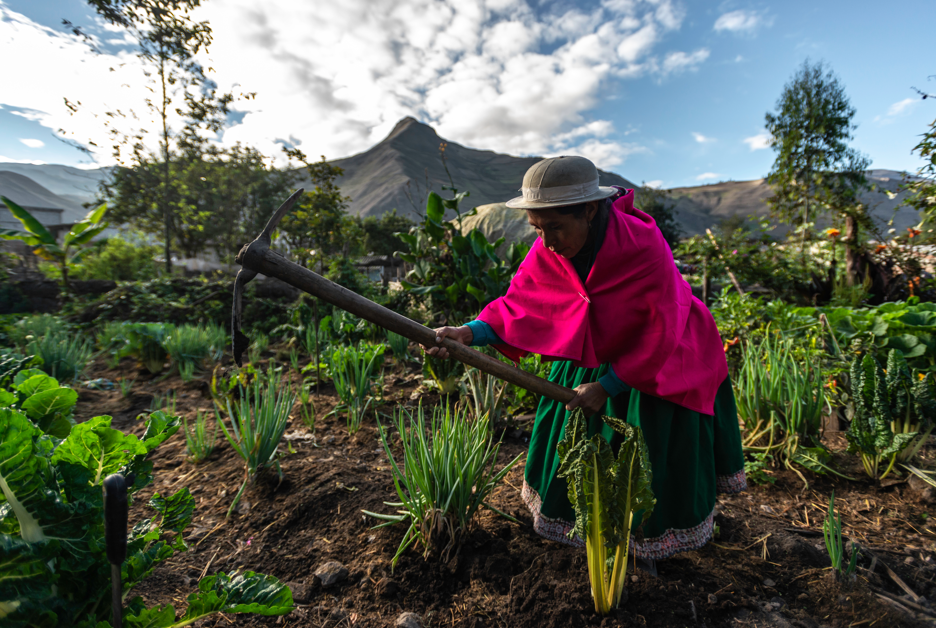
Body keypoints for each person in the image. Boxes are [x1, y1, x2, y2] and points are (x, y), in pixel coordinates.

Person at [425, 155, 746, 574]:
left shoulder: (643, 246)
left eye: (556, 227)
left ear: (591, 210)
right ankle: (586, 535)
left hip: (664, 351)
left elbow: (661, 327)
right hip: (593, 347)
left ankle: (645, 545)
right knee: (577, 446)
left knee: (644, 454)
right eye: (538, 229)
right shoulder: (548, 248)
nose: (548, 240)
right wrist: (471, 331)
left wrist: (609, 385)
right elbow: (523, 301)